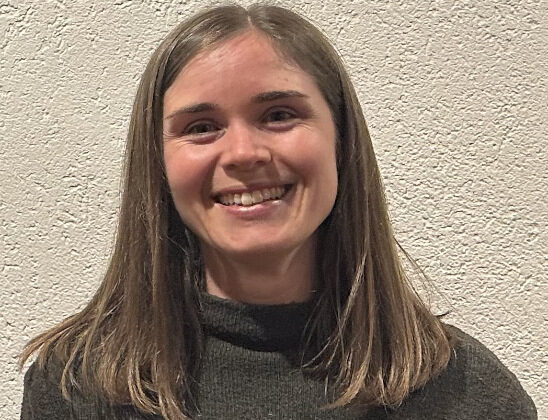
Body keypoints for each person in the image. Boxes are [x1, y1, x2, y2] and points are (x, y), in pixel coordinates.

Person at [19, 4, 537, 420]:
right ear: (157, 163)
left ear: (341, 142)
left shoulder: (466, 392)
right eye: (201, 127)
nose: (243, 153)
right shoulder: (75, 386)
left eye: (279, 115)